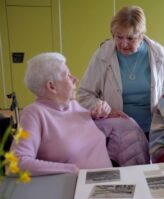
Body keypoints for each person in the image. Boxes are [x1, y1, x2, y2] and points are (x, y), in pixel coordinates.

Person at [10, 52, 149, 176]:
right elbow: (16, 163)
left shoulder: (72, 105)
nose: (75, 79)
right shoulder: (34, 113)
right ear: (51, 86)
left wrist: (99, 112)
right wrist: (71, 170)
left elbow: (76, 125)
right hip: (76, 188)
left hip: (109, 180)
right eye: (67, 76)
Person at [78, 5, 164, 137]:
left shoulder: (157, 53)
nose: (123, 44)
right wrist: (101, 107)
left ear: (141, 36)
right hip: (116, 131)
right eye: (119, 37)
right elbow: (84, 94)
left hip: (153, 129)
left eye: (130, 38)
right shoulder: (103, 54)